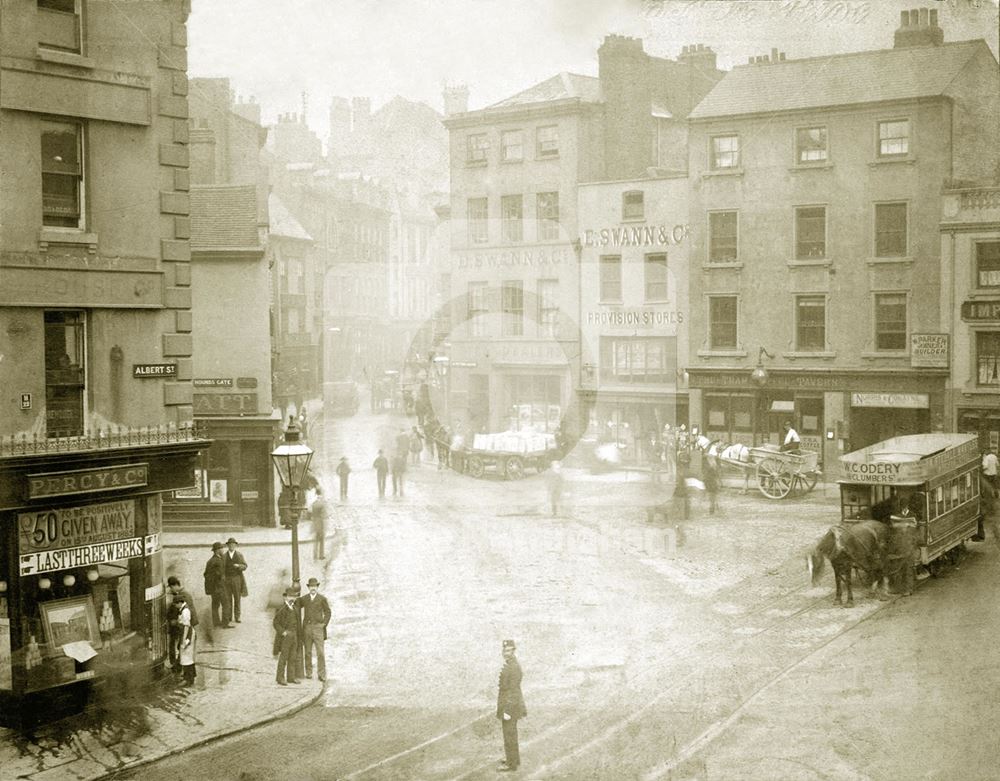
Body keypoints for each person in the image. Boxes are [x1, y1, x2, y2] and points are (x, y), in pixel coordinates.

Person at [496, 639, 527, 773]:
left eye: (508, 650)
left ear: (513, 650)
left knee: (509, 734)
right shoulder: (511, 664)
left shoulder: (513, 667)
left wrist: (507, 710)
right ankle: (514, 759)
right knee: (511, 733)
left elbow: (513, 691)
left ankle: (511, 764)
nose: (506, 653)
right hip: (510, 705)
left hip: (510, 706)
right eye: (504, 650)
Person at [297, 577, 331, 682]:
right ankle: (309, 672)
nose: (313, 588)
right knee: (307, 652)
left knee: (320, 652)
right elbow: (297, 605)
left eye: (315, 586)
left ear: (317, 587)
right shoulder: (305, 599)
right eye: (311, 586)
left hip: (318, 628)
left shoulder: (322, 599)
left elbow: (328, 612)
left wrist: (324, 624)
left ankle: (321, 674)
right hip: (307, 628)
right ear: (308, 587)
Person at [166, 576, 199, 673]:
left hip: (187, 627)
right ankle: (179, 668)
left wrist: (177, 622)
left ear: (175, 585)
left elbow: (187, 613)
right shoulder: (181, 594)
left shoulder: (184, 595)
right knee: (183, 650)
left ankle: (183, 672)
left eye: (171, 587)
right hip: (186, 626)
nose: (171, 590)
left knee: (185, 650)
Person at [273, 587, 301, 685]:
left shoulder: (295, 609)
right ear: (285, 598)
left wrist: (297, 636)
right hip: (285, 637)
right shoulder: (281, 609)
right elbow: (275, 623)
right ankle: (280, 678)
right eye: (290, 596)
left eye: (293, 597)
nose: (292, 599)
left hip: (294, 636)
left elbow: (298, 624)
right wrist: (283, 632)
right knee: (283, 657)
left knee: (292, 657)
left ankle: (291, 677)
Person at [203, 541, 232, 628]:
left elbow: (206, 574)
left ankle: (216, 622)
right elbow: (219, 575)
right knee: (226, 604)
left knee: (215, 605)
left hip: (213, 588)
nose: (223, 550)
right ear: (217, 550)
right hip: (219, 587)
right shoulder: (217, 561)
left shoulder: (210, 561)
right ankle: (225, 623)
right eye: (221, 548)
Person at [223, 537, 248, 624]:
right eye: (230, 545)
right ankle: (229, 616)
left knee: (237, 598)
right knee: (228, 598)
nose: (231, 546)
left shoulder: (239, 555)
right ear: (227, 546)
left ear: (235, 545)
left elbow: (245, 566)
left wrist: (239, 566)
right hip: (227, 579)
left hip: (237, 579)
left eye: (233, 545)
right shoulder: (224, 556)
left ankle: (237, 616)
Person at [174, 594, 197, 686]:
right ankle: (189, 677)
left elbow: (186, 626)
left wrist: (184, 641)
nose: (175, 606)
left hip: (187, 634)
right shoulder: (182, 610)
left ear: (180, 603)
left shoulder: (185, 611)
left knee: (187, 657)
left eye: (176, 604)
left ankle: (188, 679)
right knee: (186, 657)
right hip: (185, 634)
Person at [703, 441, 722, 515]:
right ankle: (713, 508)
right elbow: (717, 470)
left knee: (711, 495)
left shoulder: (707, 460)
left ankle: (712, 508)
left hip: (710, 479)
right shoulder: (715, 461)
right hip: (713, 480)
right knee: (713, 495)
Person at [311, 487, 328, 560]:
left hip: (315, 523)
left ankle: (315, 555)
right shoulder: (323, 503)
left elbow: (312, 514)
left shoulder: (314, 503)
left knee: (316, 540)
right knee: (321, 540)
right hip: (321, 523)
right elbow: (324, 515)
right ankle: (321, 555)